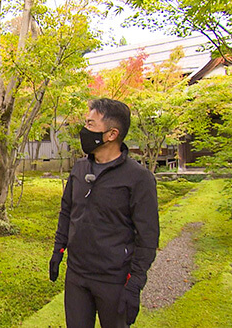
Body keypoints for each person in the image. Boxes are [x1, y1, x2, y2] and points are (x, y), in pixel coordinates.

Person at [49, 98, 159, 328]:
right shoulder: (80, 168)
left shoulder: (138, 178)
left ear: (111, 134)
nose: (84, 130)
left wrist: (135, 283)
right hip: (77, 274)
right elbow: (67, 211)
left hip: (114, 280)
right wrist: (58, 251)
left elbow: (147, 237)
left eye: (90, 125)